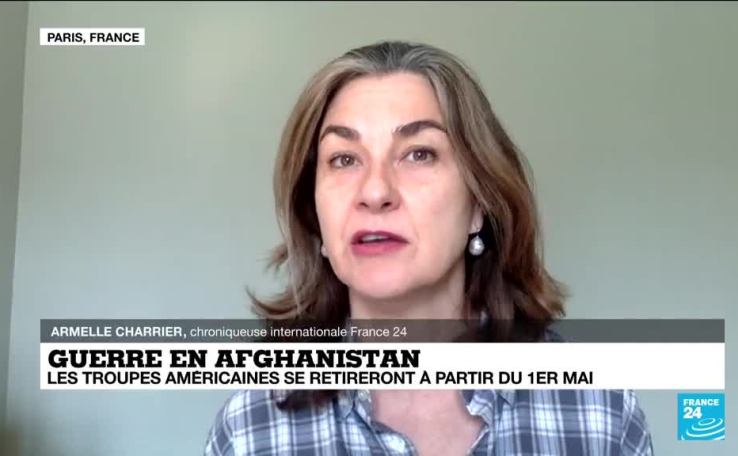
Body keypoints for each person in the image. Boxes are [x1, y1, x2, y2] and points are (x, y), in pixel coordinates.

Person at [204, 40, 654, 455]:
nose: (375, 191)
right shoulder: (250, 429)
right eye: (344, 159)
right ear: (314, 211)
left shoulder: (599, 410)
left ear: (479, 202)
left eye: (419, 153)